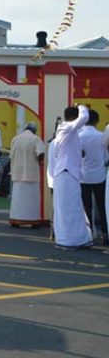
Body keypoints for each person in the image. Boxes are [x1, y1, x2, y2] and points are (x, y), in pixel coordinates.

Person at [52, 104, 93, 249]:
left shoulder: (68, 133)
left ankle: (78, 239)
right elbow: (84, 117)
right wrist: (81, 106)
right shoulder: (67, 128)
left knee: (73, 208)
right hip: (66, 173)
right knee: (69, 209)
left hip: (68, 173)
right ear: (74, 118)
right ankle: (68, 241)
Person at [78, 109, 108, 245]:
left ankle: (89, 234)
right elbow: (106, 157)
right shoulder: (101, 136)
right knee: (102, 206)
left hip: (83, 176)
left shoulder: (79, 136)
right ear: (97, 121)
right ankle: (106, 234)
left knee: (86, 207)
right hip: (99, 176)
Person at [9, 123, 46, 227]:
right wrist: (39, 161)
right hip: (31, 174)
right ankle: (32, 221)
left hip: (17, 173)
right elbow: (41, 153)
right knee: (31, 201)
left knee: (17, 200)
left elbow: (11, 156)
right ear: (34, 131)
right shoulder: (36, 139)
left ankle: (15, 220)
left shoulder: (15, 139)